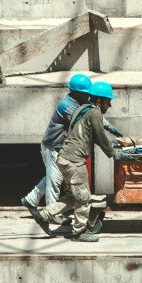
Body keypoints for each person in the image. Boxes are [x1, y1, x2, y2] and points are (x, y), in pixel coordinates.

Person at [44, 79, 133, 243]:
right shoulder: (94, 113)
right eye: (108, 102)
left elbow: (87, 134)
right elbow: (100, 136)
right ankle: (79, 232)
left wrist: (111, 142)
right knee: (84, 198)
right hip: (74, 161)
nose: (109, 106)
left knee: (75, 197)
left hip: (65, 157)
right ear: (99, 101)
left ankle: (45, 214)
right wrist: (114, 154)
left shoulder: (82, 108)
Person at [20, 72, 94, 226]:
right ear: (77, 93)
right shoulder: (67, 106)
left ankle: (31, 199)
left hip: (59, 147)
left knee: (54, 178)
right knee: (55, 181)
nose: (88, 97)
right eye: (85, 94)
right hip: (53, 147)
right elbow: (83, 121)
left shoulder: (76, 103)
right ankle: (51, 214)